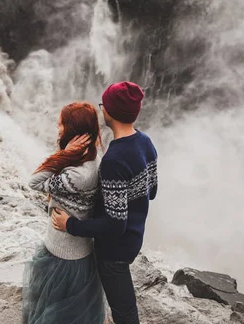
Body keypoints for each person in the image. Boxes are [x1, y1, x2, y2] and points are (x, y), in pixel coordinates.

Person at [52, 82, 158, 324]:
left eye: (103, 105)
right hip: (135, 236)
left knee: (125, 311)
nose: (102, 110)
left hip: (114, 251)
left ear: (110, 112)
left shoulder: (114, 160)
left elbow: (114, 225)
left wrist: (71, 225)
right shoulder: (145, 142)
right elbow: (151, 191)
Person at [22, 102, 106, 324]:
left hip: (67, 259)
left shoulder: (78, 175)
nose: (57, 127)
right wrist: (68, 153)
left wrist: (65, 153)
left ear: (73, 130)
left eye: (61, 124)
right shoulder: (88, 158)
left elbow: (34, 181)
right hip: (60, 250)